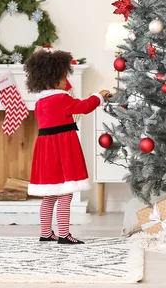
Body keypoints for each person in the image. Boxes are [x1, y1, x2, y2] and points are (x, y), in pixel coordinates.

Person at [24, 50, 110, 244]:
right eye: (64, 79)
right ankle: (64, 234)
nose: (66, 83)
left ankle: (46, 233)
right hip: (62, 149)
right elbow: (84, 107)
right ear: (55, 81)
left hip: (45, 151)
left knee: (49, 195)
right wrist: (100, 96)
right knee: (66, 192)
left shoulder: (40, 103)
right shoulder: (61, 99)